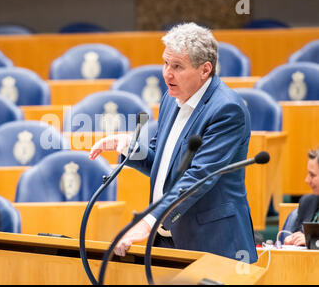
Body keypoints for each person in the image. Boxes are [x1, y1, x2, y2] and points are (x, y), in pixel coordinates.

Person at [89, 22, 258, 263]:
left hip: (214, 243)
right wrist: (129, 146)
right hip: (168, 240)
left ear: (205, 69)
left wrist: (148, 221)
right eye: (166, 63)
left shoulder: (227, 110)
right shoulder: (171, 98)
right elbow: (162, 163)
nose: (167, 73)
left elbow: (199, 177)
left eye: (177, 66)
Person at [284, 148, 319, 246]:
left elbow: (308, 240)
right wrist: (291, 239)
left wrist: (311, 241)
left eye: (312, 175)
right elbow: (297, 236)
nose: (307, 180)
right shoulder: (307, 202)